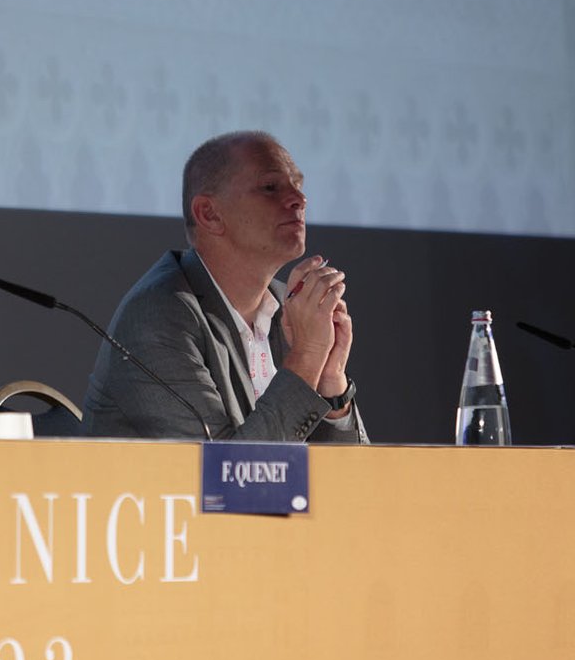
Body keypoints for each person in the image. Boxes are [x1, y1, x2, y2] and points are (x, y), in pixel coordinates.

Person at [83, 131, 365, 442]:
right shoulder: (157, 317)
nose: (299, 199)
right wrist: (307, 355)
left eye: (297, 185)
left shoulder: (291, 308)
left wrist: (331, 386)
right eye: (270, 187)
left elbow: (355, 472)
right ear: (210, 214)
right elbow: (226, 469)